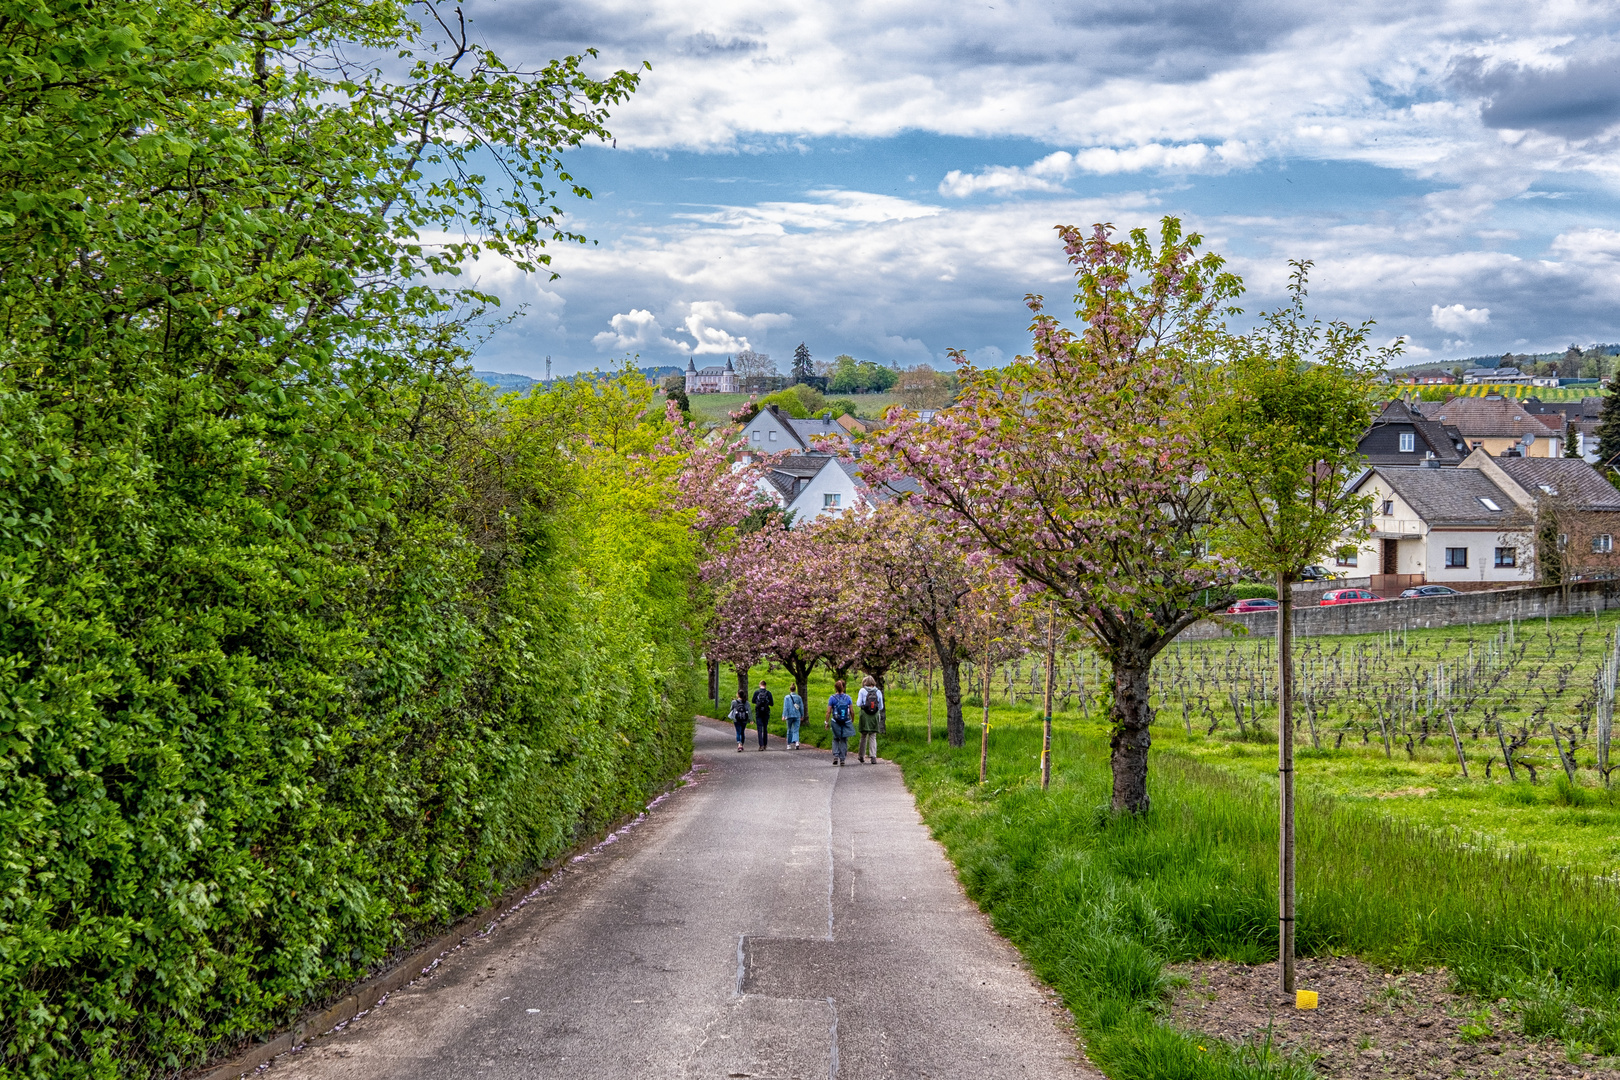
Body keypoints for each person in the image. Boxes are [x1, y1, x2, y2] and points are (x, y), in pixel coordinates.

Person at [825, 679, 854, 765]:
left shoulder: (832, 698)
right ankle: (842, 759)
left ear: (835, 688)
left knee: (835, 738)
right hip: (845, 720)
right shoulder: (848, 698)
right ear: (844, 687)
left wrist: (826, 722)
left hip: (835, 721)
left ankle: (835, 756)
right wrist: (852, 719)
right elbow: (852, 711)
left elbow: (828, 711)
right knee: (844, 739)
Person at [856, 676, 883, 763]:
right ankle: (873, 756)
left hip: (865, 715)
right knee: (873, 735)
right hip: (875, 715)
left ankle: (861, 755)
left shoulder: (862, 691)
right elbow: (881, 706)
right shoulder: (878, 691)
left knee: (864, 735)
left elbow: (858, 703)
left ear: (865, 683)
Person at [751, 680, 774, 751]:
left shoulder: (757, 692)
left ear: (759, 685)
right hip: (766, 712)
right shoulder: (768, 693)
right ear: (765, 685)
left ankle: (761, 745)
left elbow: (753, 701)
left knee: (759, 729)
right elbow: (772, 703)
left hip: (759, 712)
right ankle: (765, 744)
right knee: (765, 728)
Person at [782, 685, 805, 749]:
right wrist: (802, 715)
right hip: (797, 715)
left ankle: (788, 744)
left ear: (790, 690)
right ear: (795, 689)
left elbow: (785, 707)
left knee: (789, 729)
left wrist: (784, 715)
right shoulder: (798, 697)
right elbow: (801, 707)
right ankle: (797, 742)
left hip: (789, 715)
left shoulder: (786, 697)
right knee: (796, 729)